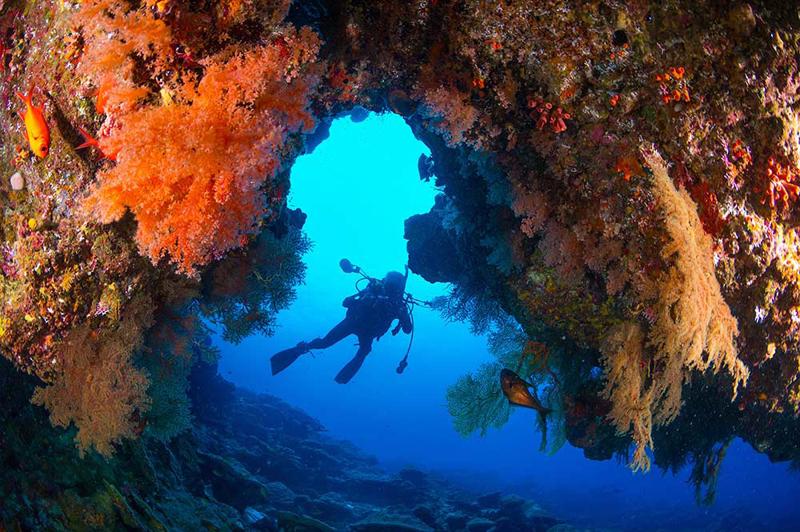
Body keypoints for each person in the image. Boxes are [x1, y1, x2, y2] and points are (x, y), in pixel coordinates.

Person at [270, 266, 413, 384]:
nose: (390, 288)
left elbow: (407, 329)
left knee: (356, 350)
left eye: (393, 286)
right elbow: (346, 302)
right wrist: (364, 301)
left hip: (361, 327)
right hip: (356, 322)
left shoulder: (398, 305)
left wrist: (402, 314)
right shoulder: (374, 290)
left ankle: (334, 374)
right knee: (330, 344)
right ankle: (301, 350)